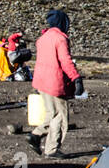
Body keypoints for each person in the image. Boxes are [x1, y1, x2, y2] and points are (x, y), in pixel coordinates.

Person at [30, 9, 83, 157]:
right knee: (60, 116)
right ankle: (50, 147)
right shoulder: (60, 39)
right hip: (55, 82)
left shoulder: (43, 38)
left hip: (41, 81)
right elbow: (65, 61)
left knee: (51, 112)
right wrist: (76, 78)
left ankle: (37, 137)